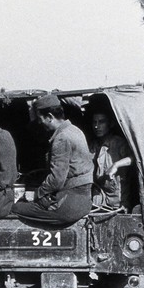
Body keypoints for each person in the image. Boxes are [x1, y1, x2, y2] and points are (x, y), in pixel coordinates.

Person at [12, 94, 93, 225]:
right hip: (83, 201)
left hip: (68, 205)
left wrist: (36, 194)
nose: (39, 123)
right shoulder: (75, 130)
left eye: (40, 119)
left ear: (50, 117)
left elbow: (56, 180)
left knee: (16, 207)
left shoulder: (61, 138)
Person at [87, 95, 136, 210]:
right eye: (94, 122)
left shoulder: (118, 143)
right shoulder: (94, 145)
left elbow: (134, 158)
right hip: (98, 200)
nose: (96, 126)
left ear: (111, 124)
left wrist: (116, 165)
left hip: (117, 203)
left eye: (101, 122)